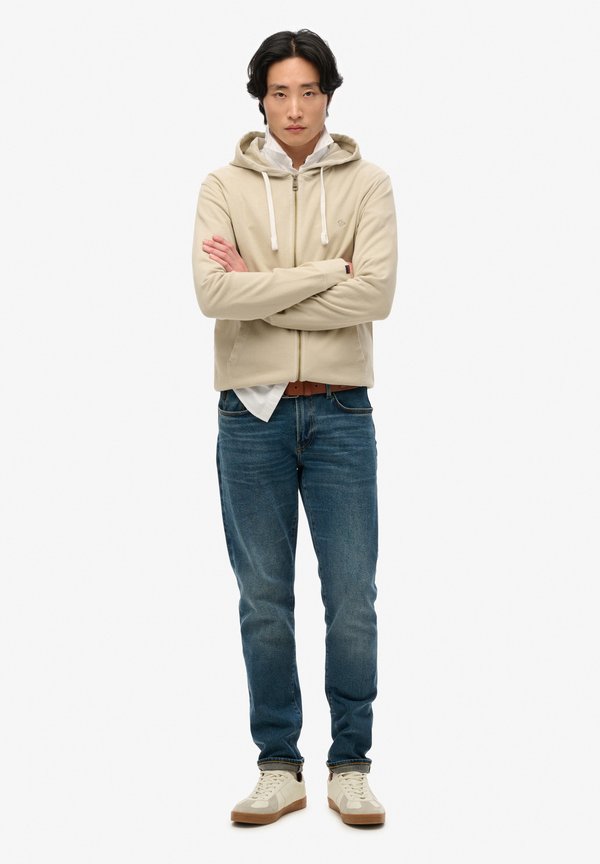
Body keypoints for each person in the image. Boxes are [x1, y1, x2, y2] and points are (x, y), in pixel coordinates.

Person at [192, 28, 397, 826]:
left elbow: (375, 295)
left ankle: (351, 765)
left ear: (328, 96)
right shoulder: (222, 185)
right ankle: (279, 765)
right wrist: (320, 275)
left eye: (308, 90)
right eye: (279, 92)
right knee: (263, 600)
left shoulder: (369, 184)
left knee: (352, 598)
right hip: (251, 415)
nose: (295, 107)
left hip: (342, 411)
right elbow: (213, 295)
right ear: (261, 100)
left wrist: (263, 288)